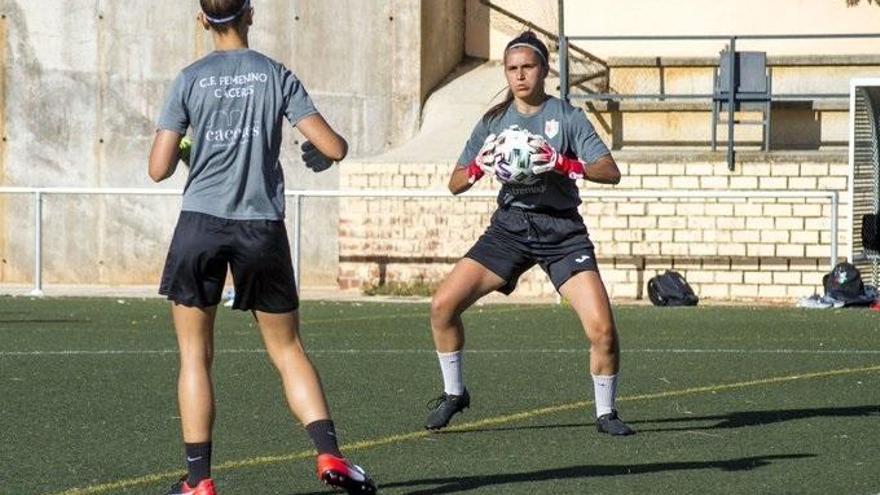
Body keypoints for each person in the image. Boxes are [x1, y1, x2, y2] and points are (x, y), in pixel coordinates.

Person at [148, 1, 376, 493]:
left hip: (200, 226)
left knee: (194, 356)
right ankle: (330, 457)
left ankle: (198, 483)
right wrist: (322, 150)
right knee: (288, 349)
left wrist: (191, 147)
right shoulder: (275, 74)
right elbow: (333, 147)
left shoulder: (189, 79)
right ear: (249, 14)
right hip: (261, 227)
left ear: (202, 19)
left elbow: (159, 167)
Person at [424, 31, 635, 437]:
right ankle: (455, 394)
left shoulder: (568, 117)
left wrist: (562, 163)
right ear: (506, 73)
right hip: (510, 229)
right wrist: (477, 167)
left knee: (603, 331)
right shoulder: (493, 122)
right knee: (442, 307)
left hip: (561, 231)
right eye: (513, 68)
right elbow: (454, 183)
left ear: (544, 70)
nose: (520, 75)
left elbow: (611, 171)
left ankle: (606, 414)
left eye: (528, 67)